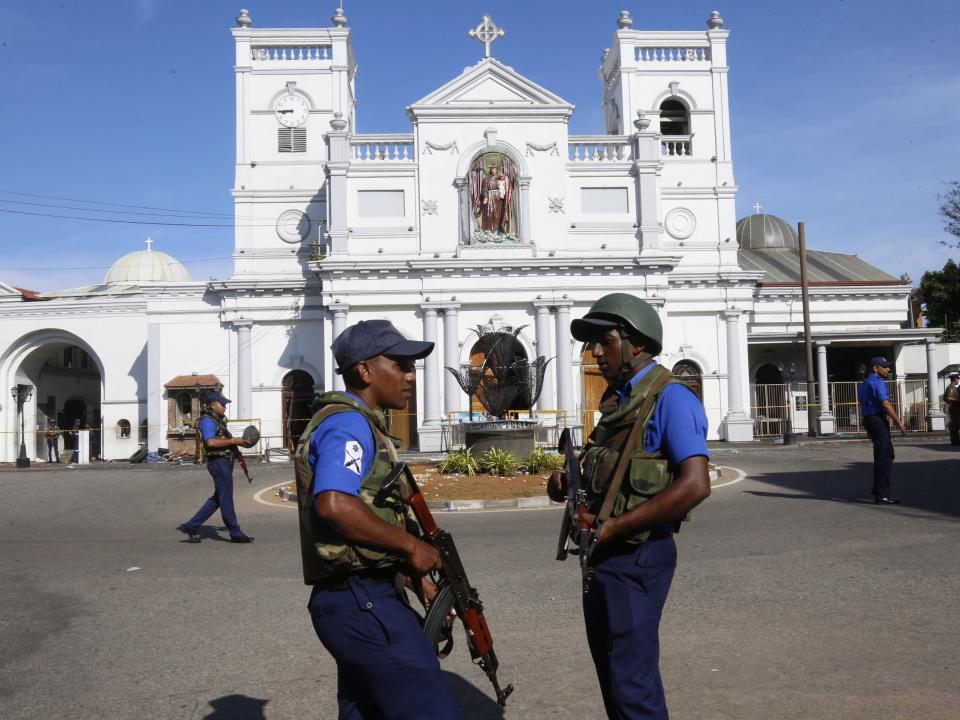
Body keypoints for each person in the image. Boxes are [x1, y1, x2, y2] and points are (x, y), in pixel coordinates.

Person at [547, 293, 711, 720]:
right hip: (604, 555)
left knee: (632, 684)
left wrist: (618, 527)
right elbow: (604, 474)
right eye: (592, 343)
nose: (595, 352)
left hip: (637, 554)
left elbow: (695, 485)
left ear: (635, 343)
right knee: (614, 677)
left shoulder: (671, 399)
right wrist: (566, 479)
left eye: (605, 340)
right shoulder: (617, 405)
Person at [294, 319, 462, 720]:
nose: (410, 376)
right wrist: (411, 546)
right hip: (361, 600)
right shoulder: (349, 424)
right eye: (401, 365)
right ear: (365, 370)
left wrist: (412, 574)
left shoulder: (361, 423)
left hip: (360, 597)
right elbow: (334, 503)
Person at [177, 391, 254, 544]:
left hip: (223, 462)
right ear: (212, 405)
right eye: (222, 404)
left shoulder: (216, 420)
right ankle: (235, 532)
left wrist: (238, 442)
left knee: (218, 498)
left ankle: (192, 526)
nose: (225, 407)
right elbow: (210, 442)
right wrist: (234, 441)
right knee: (225, 499)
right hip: (218, 462)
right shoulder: (207, 421)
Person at [857, 356, 907, 504]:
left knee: (886, 454)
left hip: (870, 419)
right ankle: (882, 494)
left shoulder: (866, 382)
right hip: (877, 419)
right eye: (884, 366)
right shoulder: (877, 382)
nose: (888, 369)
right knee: (884, 457)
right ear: (875, 368)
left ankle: (878, 488)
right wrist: (899, 423)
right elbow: (885, 404)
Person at [944, 373, 960, 446]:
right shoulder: (951, 387)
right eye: (958, 379)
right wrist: (957, 400)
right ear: (955, 379)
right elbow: (948, 397)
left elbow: (945, 398)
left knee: (956, 424)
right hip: (955, 408)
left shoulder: (953, 387)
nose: (958, 380)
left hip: (955, 407)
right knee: (955, 425)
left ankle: (956, 441)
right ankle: (955, 441)